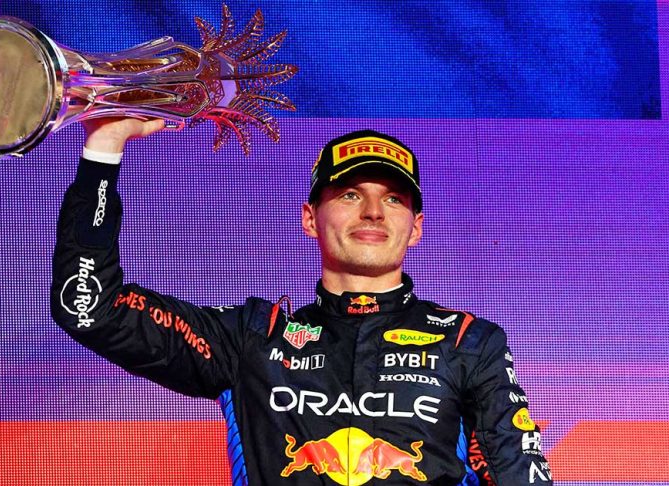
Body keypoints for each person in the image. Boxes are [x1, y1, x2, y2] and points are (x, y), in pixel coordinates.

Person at [51, 117, 552, 485]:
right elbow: (89, 306)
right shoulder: (252, 337)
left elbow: (519, 476)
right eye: (350, 194)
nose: (374, 211)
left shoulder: (469, 342)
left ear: (415, 228)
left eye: (394, 198)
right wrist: (104, 147)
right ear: (310, 218)